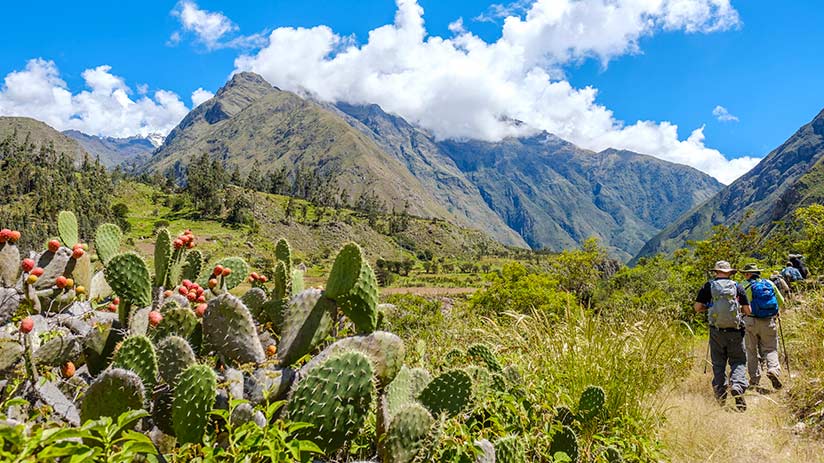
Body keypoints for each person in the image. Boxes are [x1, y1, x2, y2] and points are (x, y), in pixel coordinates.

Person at [695, 261, 751, 411]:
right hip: (735, 331)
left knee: (718, 363)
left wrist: (710, 307)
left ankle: (720, 394)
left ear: (716, 272)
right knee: (738, 361)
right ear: (729, 272)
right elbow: (748, 310)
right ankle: (738, 386)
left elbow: (697, 308)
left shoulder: (709, 286)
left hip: (716, 330)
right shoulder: (737, 286)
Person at [741, 263, 785, 390]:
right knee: (771, 348)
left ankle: (754, 380)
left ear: (748, 274)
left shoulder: (744, 286)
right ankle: (773, 370)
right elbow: (781, 301)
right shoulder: (769, 284)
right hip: (768, 321)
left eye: (745, 273)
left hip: (749, 321)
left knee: (751, 351)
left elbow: (740, 306)